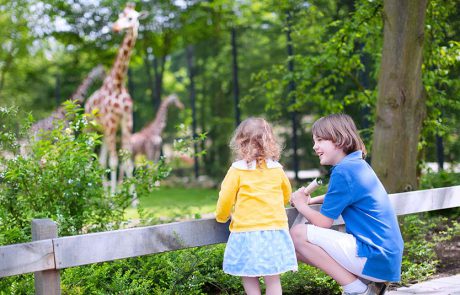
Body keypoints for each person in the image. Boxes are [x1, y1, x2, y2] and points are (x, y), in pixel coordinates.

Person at [290, 114, 404, 295]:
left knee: (297, 234)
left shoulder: (343, 171)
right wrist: (311, 201)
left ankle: (357, 290)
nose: (315, 146)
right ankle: (367, 285)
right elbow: (342, 196)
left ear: (339, 139)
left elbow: (323, 223)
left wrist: (300, 204)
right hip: (386, 256)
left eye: (320, 140)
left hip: (374, 254)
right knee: (295, 249)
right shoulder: (356, 165)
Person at [215, 117, 298, 295]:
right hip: (274, 231)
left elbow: (225, 199)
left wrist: (222, 217)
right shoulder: (276, 169)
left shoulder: (237, 170)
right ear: (270, 142)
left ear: (241, 142)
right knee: (273, 279)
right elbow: (286, 195)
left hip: (246, 232)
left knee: (248, 275)